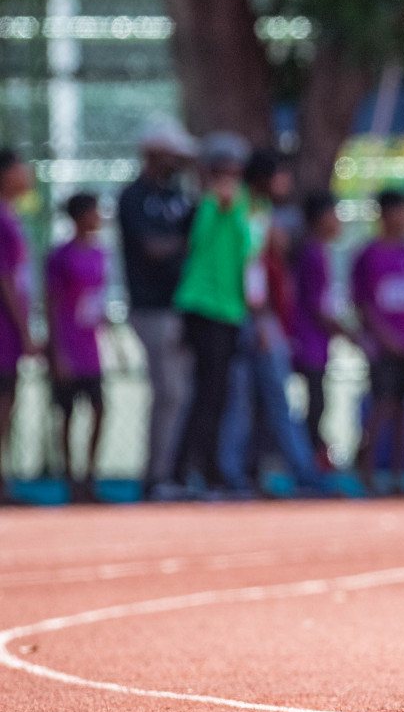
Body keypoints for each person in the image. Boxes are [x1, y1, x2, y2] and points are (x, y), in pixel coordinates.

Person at [217, 149, 326, 496]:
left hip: (256, 317)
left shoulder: (260, 211)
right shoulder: (245, 210)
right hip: (250, 319)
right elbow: (248, 268)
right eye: (281, 175)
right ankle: (247, 474)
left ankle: (245, 473)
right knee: (259, 401)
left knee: (257, 402)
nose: (286, 183)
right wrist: (260, 318)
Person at [167, 133, 252, 499]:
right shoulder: (210, 204)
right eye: (222, 170)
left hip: (229, 310)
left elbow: (246, 251)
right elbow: (200, 243)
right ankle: (186, 470)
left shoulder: (240, 204)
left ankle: (206, 468)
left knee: (217, 394)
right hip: (204, 307)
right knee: (205, 393)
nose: (228, 177)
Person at [119, 124, 196, 494]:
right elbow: (152, 247)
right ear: (152, 153)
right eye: (172, 154)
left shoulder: (178, 194)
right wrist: (193, 242)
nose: (178, 161)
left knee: (181, 391)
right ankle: (157, 476)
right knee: (169, 392)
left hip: (181, 306)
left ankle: (175, 472)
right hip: (151, 308)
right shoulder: (134, 197)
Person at [350, 188, 404, 496]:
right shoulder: (367, 256)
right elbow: (363, 305)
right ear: (386, 214)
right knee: (381, 406)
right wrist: (385, 337)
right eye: (402, 211)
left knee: (402, 409)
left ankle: (398, 477)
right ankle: (366, 471)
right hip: (382, 348)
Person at [46, 193, 108, 503]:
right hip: (68, 347)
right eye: (95, 211)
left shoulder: (100, 254)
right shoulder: (60, 256)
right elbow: (51, 304)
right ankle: (71, 478)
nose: (99, 217)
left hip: (91, 348)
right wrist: (57, 353)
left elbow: (97, 301)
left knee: (100, 408)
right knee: (67, 415)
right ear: (81, 216)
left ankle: (90, 476)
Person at [291, 190, 347, 469]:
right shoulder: (312, 252)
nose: (339, 222)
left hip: (316, 342)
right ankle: (309, 460)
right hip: (307, 340)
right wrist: (347, 332)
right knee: (315, 402)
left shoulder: (321, 251)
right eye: (333, 215)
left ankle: (313, 456)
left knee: (318, 400)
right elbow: (316, 306)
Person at [0, 150, 36, 505]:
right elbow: (6, 278)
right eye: (20, 167)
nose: (27, 174)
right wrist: (25, 330)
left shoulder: (12, 215)